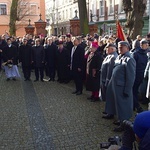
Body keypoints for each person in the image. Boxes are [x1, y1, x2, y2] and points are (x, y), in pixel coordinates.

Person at [105, 41, 136, 132]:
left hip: (122, 87)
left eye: (121, 47)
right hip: (115, 85)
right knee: (117, 105)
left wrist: (127, 90)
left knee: (123, 107)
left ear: (127, 47)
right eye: (118, 47)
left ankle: (124, 125)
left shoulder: (129, 59)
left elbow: (131, 77)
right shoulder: (119, 57)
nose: (119, 49)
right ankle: (120, 120)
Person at [100, 43, 118, 118]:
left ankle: (110, 113)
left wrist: (107, 81)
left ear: (112, 49)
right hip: (104, 79)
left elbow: (110, 71)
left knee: (110, 97)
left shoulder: (113, 57)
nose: (106, 50)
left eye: (108, 48)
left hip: (108, 80)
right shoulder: (109, 56)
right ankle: (108, 109)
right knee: (107, 97)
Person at [132, 39, 149, 113]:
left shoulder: (140, 54)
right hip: (138, 74)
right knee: (134, 91)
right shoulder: (139, 53)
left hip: (138, 74)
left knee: (133, 91)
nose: (147, 46)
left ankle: (136, 106)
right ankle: (135, 106)